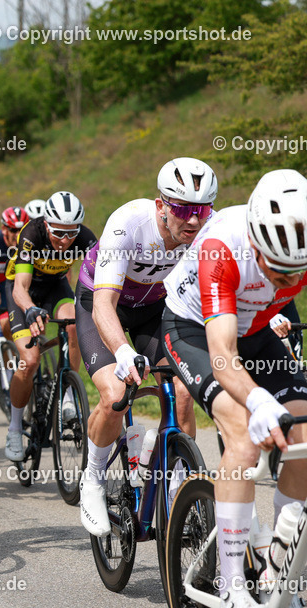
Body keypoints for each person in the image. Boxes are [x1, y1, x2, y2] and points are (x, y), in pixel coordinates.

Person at [162, 169, 307, 608]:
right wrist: (259, 399)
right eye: (274, 267)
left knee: (302, 435)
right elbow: (223, 356)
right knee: (244, 434)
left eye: (293, 272)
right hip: (195, 332)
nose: (283, 279)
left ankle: (283, 576)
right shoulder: (221, 247)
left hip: (259, 328)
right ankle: (230, 584)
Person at [76, 158, 215, 536]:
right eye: (183, 209)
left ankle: (177, 490)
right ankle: (93, 478)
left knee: (185, 388)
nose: (193, 220)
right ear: (161, 206)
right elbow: (104, 304)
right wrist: (122, 352)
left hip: (155, 309)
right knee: (116, 393)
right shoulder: (129, 223)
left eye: (201, 210)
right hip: (102, 303)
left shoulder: (210, 231)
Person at [4, 191, 96, 462]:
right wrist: (30, 308)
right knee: (30, 361)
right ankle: (14, 427)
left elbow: (102, 275)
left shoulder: (85, 238)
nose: (65, 240)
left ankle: (67, 396)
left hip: (56, 286)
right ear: (46, 224)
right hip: (25, 290)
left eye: (71, 234)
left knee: (74, 324)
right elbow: (20, 287)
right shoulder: (31, 235)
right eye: (58, 233)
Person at [0, 207, 29, 339]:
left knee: (8, 329)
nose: (18, 235)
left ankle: (6, 358)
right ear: (4, 229)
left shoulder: (29, 246)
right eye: (13, 230)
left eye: (22, 230)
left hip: (7, 291)